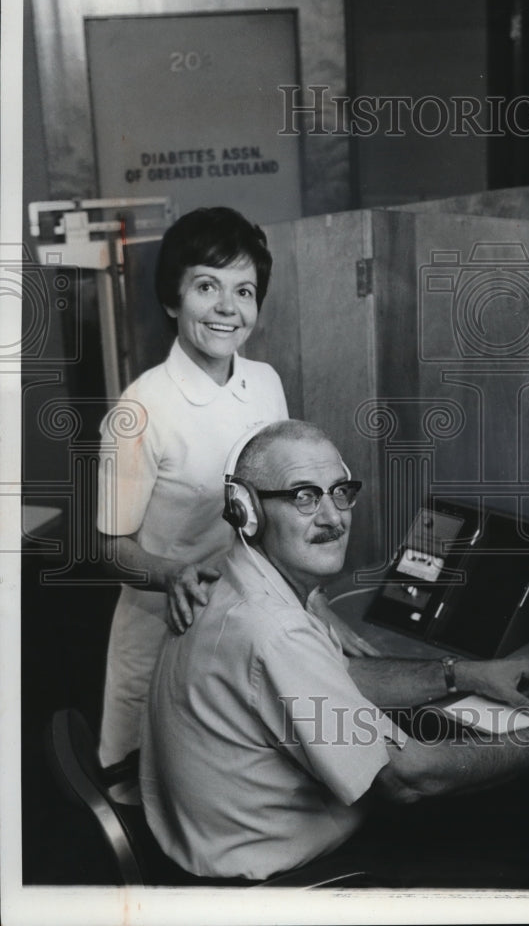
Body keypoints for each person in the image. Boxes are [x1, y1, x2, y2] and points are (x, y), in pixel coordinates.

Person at [140, 419, 529, 884]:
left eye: (340, 492)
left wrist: (464, 674)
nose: (332, 518)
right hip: (282, 883)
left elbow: (340, 677)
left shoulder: (233, 580)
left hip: (199, 849)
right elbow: (408, 777)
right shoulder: (273, 630)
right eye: (303, 496)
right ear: (247, 511)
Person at [96, 208, 373, 774]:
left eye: (243, 291)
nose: (227, 307)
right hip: (166, 629)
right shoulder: (141, 409)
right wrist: (171, 574)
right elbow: (110, 545)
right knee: (160, 785)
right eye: (206, 286)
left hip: (248, 623)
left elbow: (278, 521)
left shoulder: (265, 384)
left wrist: (316, 610)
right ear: (173, 300)